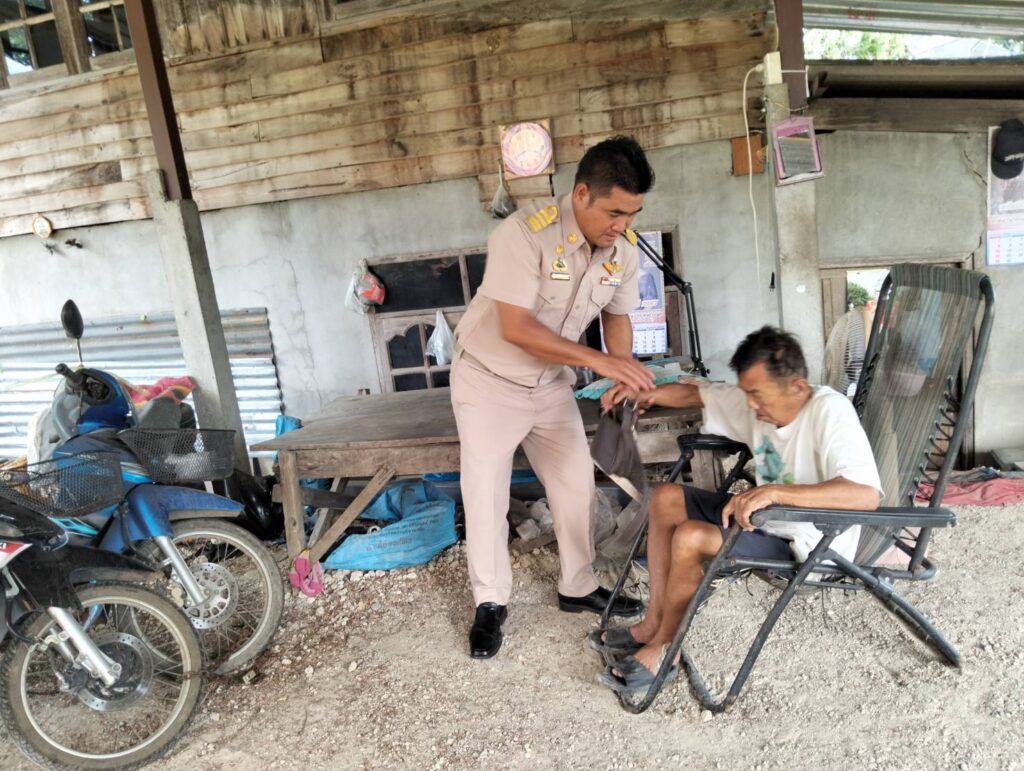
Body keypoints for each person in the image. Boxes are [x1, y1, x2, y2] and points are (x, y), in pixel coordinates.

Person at [451, 136, 657, 659]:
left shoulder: (622, 250)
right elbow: (516, 327)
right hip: (489, 379)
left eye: (632, 214)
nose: (622, 225)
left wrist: (620, 372)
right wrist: (600, 363)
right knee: (486, 491)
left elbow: (616, 316)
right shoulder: (523, 234)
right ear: (581, 194)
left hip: (548, 383)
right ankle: (490, 602)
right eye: (614, 212)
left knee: (574, 482)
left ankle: (578, 585)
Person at [594, 326, 883, 693]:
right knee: (665, 498)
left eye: (757, 394)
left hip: (810, 541)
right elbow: (698, 394)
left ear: (797, 387)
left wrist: (774, 492)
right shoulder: (759, 405)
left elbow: (865, 494)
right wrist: (641, 394)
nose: (750, 404)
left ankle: (666, 649)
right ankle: (652, 624)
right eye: (747, 393)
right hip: (765, 521)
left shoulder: (829, 411)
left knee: (690, 536)